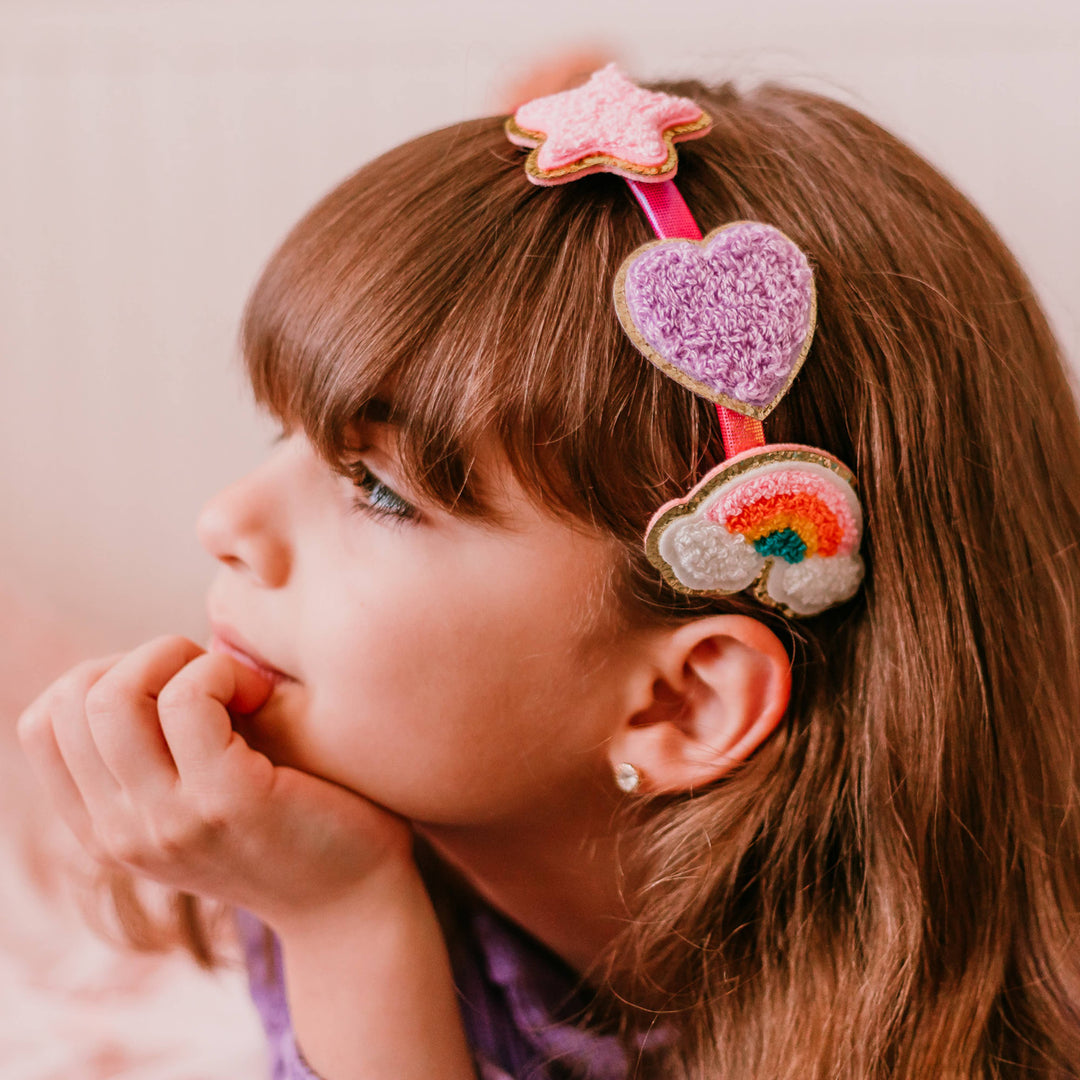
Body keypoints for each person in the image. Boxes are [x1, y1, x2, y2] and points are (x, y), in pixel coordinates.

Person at [16, 67, 1080, 1080]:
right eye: (280, 438)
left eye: (378, 491)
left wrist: (348, 930)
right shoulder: (303, 839)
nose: (224, 522)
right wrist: (341, 907)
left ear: (682, 698)